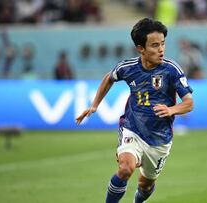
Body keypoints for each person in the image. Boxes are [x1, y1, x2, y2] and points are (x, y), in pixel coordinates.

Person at [75, 18, 194, 203]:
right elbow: (109, 78)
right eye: (155, 45)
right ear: (141, 48)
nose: (161, 49)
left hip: (159, 140)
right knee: (125, 169)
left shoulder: (171, 70)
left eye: (162, 44)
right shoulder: (128, 67)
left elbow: (188, 103)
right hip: (133, 129)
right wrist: (95, 104)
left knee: (145, 185)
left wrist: (172, 110)